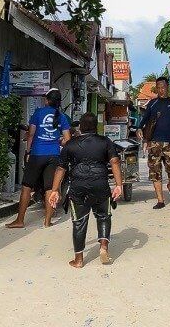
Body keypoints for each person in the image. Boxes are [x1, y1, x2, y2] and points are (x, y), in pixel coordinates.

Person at [49, 112, 123, 268]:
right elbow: (115, 162)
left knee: (79, 222)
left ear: (80, 127)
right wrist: (118, 185)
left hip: (78, 187)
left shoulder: (70, 144)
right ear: (96, 126)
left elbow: (61, 168)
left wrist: (55, 189)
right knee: (103, 216)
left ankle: (79, 260)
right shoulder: (105, 142)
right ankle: (103, 247)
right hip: (100, 185)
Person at [6, 87, 71, 229]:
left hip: (37, 154)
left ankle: (20, 220)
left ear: (47, 101)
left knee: (27, 186)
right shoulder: (62, 117)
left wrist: (28, 151)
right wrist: (57, 141)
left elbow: (30, 135)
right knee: (50, 188)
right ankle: (47, 222)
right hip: (54, 155)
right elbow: (67, 139)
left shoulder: (38, 113)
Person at [137, 76, 170, 209]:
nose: (161, 90)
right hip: (154, 143)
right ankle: (160, 200)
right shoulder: (152, 103)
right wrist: (139, 128)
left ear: (167, 87)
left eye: (163, 87)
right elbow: (144, 120)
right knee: (155, 172)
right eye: (158, 88)